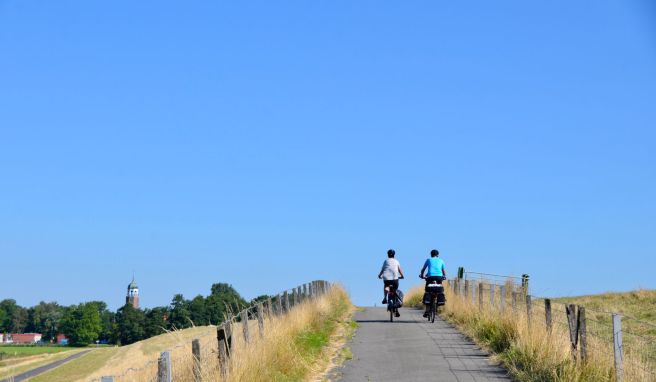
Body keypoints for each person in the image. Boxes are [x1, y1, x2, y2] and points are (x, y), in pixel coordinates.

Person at [419, 249, 446, 317]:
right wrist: (444, 276)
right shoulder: (441, 260)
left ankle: (427, 311)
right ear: (438, 255)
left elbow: (423, 269)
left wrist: (422, 275)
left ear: (431, 255)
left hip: (430, 277)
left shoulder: (429, 260)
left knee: (427, 291)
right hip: (439, 277)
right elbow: (443, 271)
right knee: (440, 288)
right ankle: (439, 301)